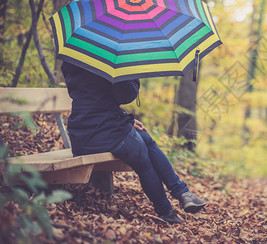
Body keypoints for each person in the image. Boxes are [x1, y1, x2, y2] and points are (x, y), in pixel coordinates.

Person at [61, 61, 206, 224]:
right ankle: (166, 211)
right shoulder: (111, 60)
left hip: (82, 134)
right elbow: (126, 95)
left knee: (146, 138)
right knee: (143, 162)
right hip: (106, 132)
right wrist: (133, 72)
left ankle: (182, 193)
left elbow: (92, 96)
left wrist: (126, 120)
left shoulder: (73, 59)